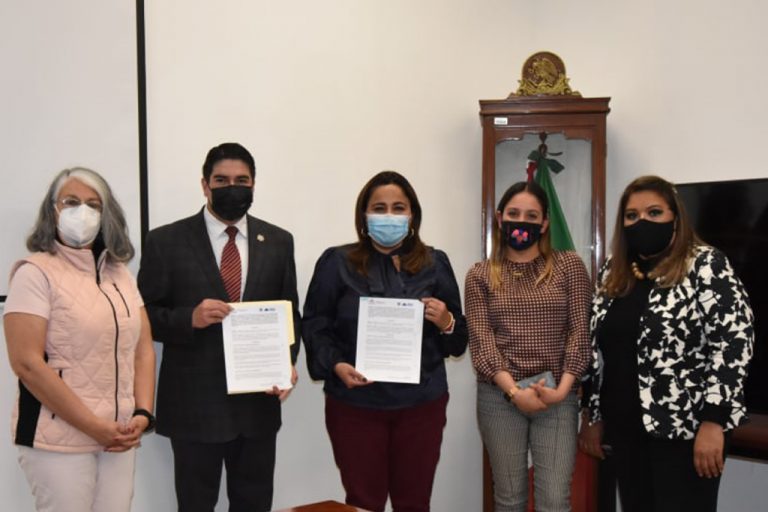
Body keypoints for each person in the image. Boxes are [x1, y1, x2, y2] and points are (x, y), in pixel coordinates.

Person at [137, 142, 301, 512]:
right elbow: (143, 316)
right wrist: (189, 318)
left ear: (254, 184)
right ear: (205, 185)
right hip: (193, 407)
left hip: (257, 405)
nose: (232, 187)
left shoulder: (278, 241)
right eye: (222, 180)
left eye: (242, 180)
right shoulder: (165, 241)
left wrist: (285, 363)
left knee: (254, 504)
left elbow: (290, 313)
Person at [578, 175, 754, 512]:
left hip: (687, 431)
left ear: (675, 218)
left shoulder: (705, 264)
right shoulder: (614, 270)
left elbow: (734, 343)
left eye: (654, 212)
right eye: (632, 215)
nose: (642, 222)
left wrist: (714, 422)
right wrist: (592, 414)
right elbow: (598, 351)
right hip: (625, 428)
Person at [302, 170, 467, 512]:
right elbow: (316, 325)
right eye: (379, 208)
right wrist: (336, 364)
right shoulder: (337, 262)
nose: (389, 216)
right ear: (364, 216)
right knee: (363, 503)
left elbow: (458, 340)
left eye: (398, 208)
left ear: (412, 215)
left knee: (414, 503)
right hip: (356, 406)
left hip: (421, 405)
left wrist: (447, 321)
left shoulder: (435, 263)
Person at [3, 167, 156, 512]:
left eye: (93, 204)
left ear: (106, 214)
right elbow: (26, 363)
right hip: (56, 441)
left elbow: (142, 348)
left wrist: (143, 413)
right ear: (53, 210)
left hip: (117, 436)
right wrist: (93, 427)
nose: (82, 211)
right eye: (71, 202)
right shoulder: (34, 272)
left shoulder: (120, 274)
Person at [465, 180, 591, 512]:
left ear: (545, 223)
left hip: (557, 396)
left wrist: (561, 391)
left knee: (555, 499)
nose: (522, 222)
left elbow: (580, 332)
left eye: (532, 216)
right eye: (514, 213)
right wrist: (514, 392)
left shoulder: (569, 266)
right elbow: (482, 342)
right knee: (509, 498)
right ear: (499, 218)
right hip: (500, 397)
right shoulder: (479, 275)